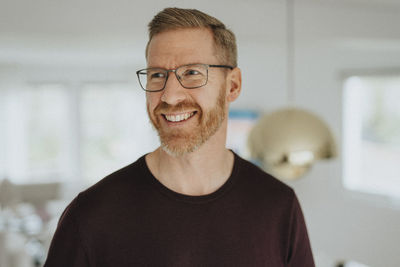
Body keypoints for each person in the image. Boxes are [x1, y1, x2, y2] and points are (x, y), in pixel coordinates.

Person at [44, 7, 315, 267]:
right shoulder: (92, 214)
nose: (170, 95)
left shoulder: (278, 205)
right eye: (157, 75)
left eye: (192, 73)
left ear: (232, 86)